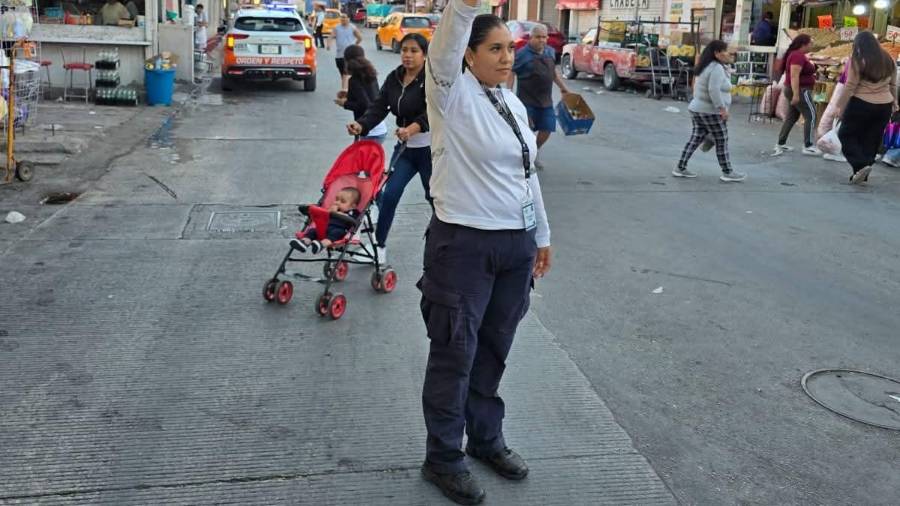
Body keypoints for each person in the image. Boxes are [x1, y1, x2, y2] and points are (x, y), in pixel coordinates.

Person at [418, 0, 552, 503]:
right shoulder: (451, 96)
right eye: (494, 48)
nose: (504, 57)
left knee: (493, 349)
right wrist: (466, 7)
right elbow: (444, 46)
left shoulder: (512, 103)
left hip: (513, 248)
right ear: (468, 56)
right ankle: (443, 457)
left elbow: (526, 173)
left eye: (509, 48)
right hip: (464, 247)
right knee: (455, 352)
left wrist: (541, 236)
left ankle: (485, 440)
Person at [347, 33, 431, 265]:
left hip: (431, 151)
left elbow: (435, 110)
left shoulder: (432, 79)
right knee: (388, 195)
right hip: (405, 151)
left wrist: (413, 128)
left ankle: (447, 248)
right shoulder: (395, 78)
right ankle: (378, 247)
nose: (408, 55)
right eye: (405, 50)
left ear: (424, 55)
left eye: (414, 51)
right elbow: (379, 106)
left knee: (436, 200)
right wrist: (361, 124)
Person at [673, 40, 746, 182]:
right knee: (722, 139)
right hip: (709, 110)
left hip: (697, 108)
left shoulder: (706, 66)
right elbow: (713, 90)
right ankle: (727, 172)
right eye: (725, 51)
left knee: (696, 138)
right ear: (717, 53)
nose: (728, 54)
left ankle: (680, 167)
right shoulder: (716, 68)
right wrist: (722, 109)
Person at [835, 31, 898, 184]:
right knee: (872, 139)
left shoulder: (858, 59)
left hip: (861, 103)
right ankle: (863, 173)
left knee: (846, 134)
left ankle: (861, 165)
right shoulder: (889, 58)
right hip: (884, 106)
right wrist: (895, 102)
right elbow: (893, 84)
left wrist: (839, 106)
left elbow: (850, 86)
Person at [507, 23, 571, 170]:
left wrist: (564, 88)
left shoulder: (549, 51)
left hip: (545, 101)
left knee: (547, 128)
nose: (542, 40)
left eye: (544, 37)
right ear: (531, 38)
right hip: (526, 100)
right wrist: (508, 92)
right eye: (538, 37)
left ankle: (532, 153)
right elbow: (512, 71)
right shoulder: (522, 54)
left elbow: (553, 73)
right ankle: (523, 157)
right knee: (526, 131)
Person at [773, 34, 821, 156]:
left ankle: (781, 143)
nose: (812, 46)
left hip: (796, 89)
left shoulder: (797, 55)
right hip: (801, 90)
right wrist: (796, 94)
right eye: (810, 43)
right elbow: (795, 76)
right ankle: (808, 145)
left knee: (792, 117)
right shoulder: (797, 56)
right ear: (803, 44)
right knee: (811, 114)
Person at [335, 45, 388, 143]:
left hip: (368, 130)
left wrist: (344, 104)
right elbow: (371, 97)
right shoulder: (371, 75)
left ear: (347, 61)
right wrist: (346, 94)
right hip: (379, 127)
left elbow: (365, 105)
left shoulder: (354, 80)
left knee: (358, 158)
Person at [290, 187, 361, 253]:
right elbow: (324, 215)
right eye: (336, 199)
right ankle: (304, 242)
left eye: (342, 201)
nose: (337, 202)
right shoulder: (332, 208)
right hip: (324, 228)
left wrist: (338, 213)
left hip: (339, 230)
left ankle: (321, 245)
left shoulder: (354, 212)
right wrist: (329, 211)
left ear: (353, 206)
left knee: (337, 232)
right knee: (313, 231)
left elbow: (354, 221)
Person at [331, 13, 362, 88]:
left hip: (349, 55)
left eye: (345, 17)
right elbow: (331, 36)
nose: (343, 19)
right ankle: (347, 89)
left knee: (346, 74)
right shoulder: (337, 27)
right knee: (343, 75)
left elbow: (360, 38)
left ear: (348, 19)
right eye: (341, 17)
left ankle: (345, 91)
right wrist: (328, 44)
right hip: (339, 55)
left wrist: (354, 46)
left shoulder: (352, 28)